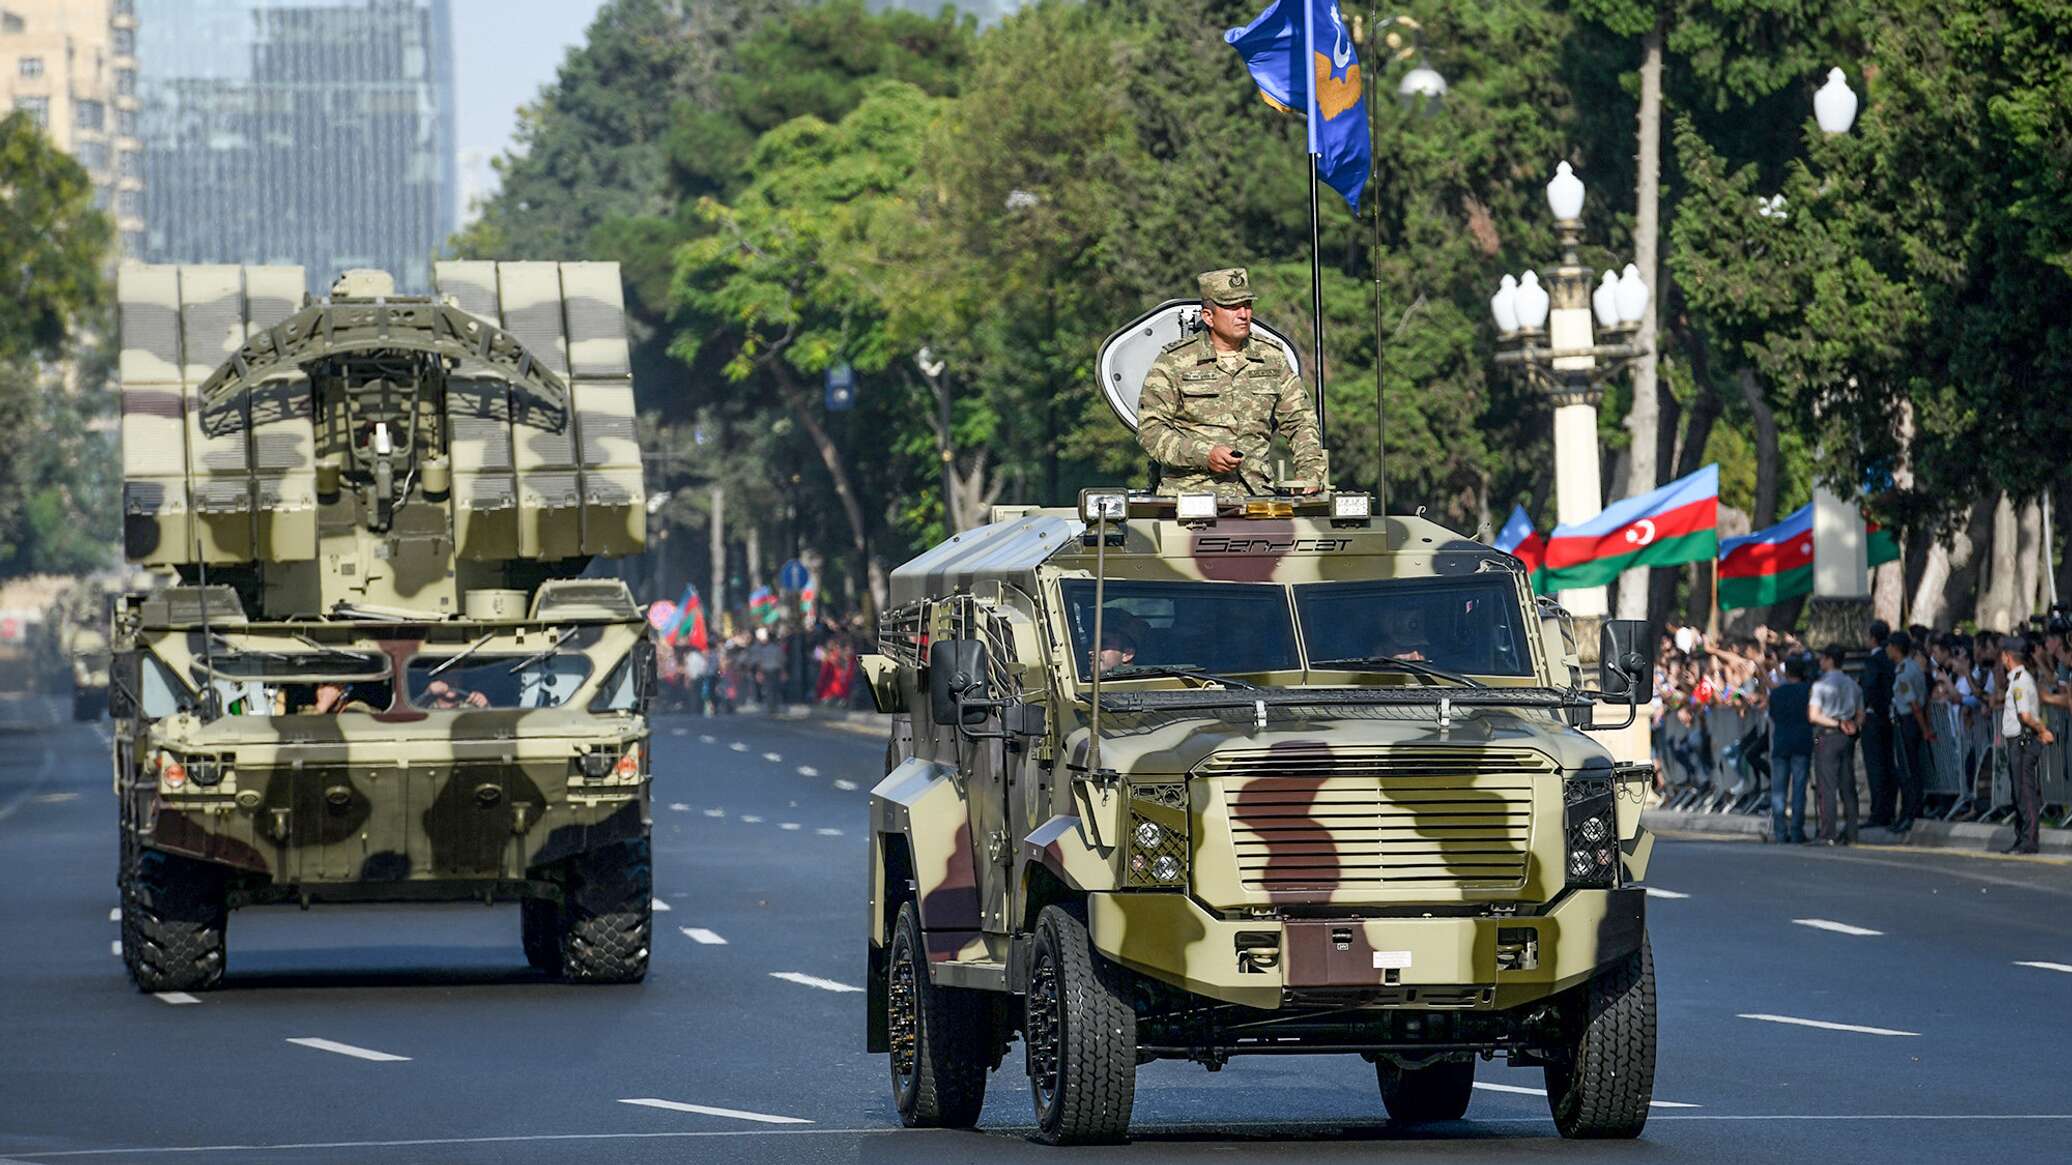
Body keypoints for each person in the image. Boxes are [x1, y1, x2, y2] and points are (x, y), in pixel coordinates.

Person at [1136, 268, 1326, 500]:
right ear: (1208, 316)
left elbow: (1300, 420)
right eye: (1232, 307)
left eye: (1247, 305)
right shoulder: (1175, 361)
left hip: (1257, 497)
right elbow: (1151, 431)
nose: (1243, 314)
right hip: (1189, 499)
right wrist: (1204, 455)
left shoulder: (1272, 357)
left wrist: (1310, 472)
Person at [1999, 636, 2053, 855]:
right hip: (2018, 741)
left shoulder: (2020, 680)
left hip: (2024, 741)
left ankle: (2029, 840)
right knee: (2018, 792)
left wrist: (2042, 730)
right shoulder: (2016, 678)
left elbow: (2025, 715)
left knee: (2025, 792)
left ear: (2008, 657)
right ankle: (2022, 838)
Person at [1808, 644, 1864, 846]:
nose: (1820, 662)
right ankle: (1852, 832)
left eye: (1822, 658)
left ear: (1830, 660)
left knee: (1827, 786)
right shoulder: (1853, 684)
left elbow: (1813, 715)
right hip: (1847, 737)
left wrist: (1837, 723)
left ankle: (1827, 833)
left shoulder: (1820, 685)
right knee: (1848, 786)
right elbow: (1860, 715)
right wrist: (1851, 726)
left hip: (1828, 735)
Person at [1886, 631, 1932, 832]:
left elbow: (1913, 704)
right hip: (1909, 721)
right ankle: (1909, 812)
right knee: (1910, 768)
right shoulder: (1912, 666)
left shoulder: (1904, 673)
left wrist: (1925, 729)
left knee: (1907, 771)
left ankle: (1910, 813)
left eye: (1889, 646)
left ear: (1895, 648)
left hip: (1908, 722)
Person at [1768, 655, 1815, 844]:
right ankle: (1796, 830)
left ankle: (1780, 832)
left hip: (1781, 742)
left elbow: (1773, 716)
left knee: (1779, 790)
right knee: (1798, 788)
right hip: (1802, 742)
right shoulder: (1807, 691)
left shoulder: (1777, 693)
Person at [1859, 619, 1898, 829]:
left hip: (1875, 718)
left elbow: (1870, 688)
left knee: (1876, 767)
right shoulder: (1891, 659)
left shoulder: (1874, 661)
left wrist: (1863, 709)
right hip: (1889, 718)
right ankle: (1888, 810)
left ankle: (1879, 812)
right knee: (1888, 765)